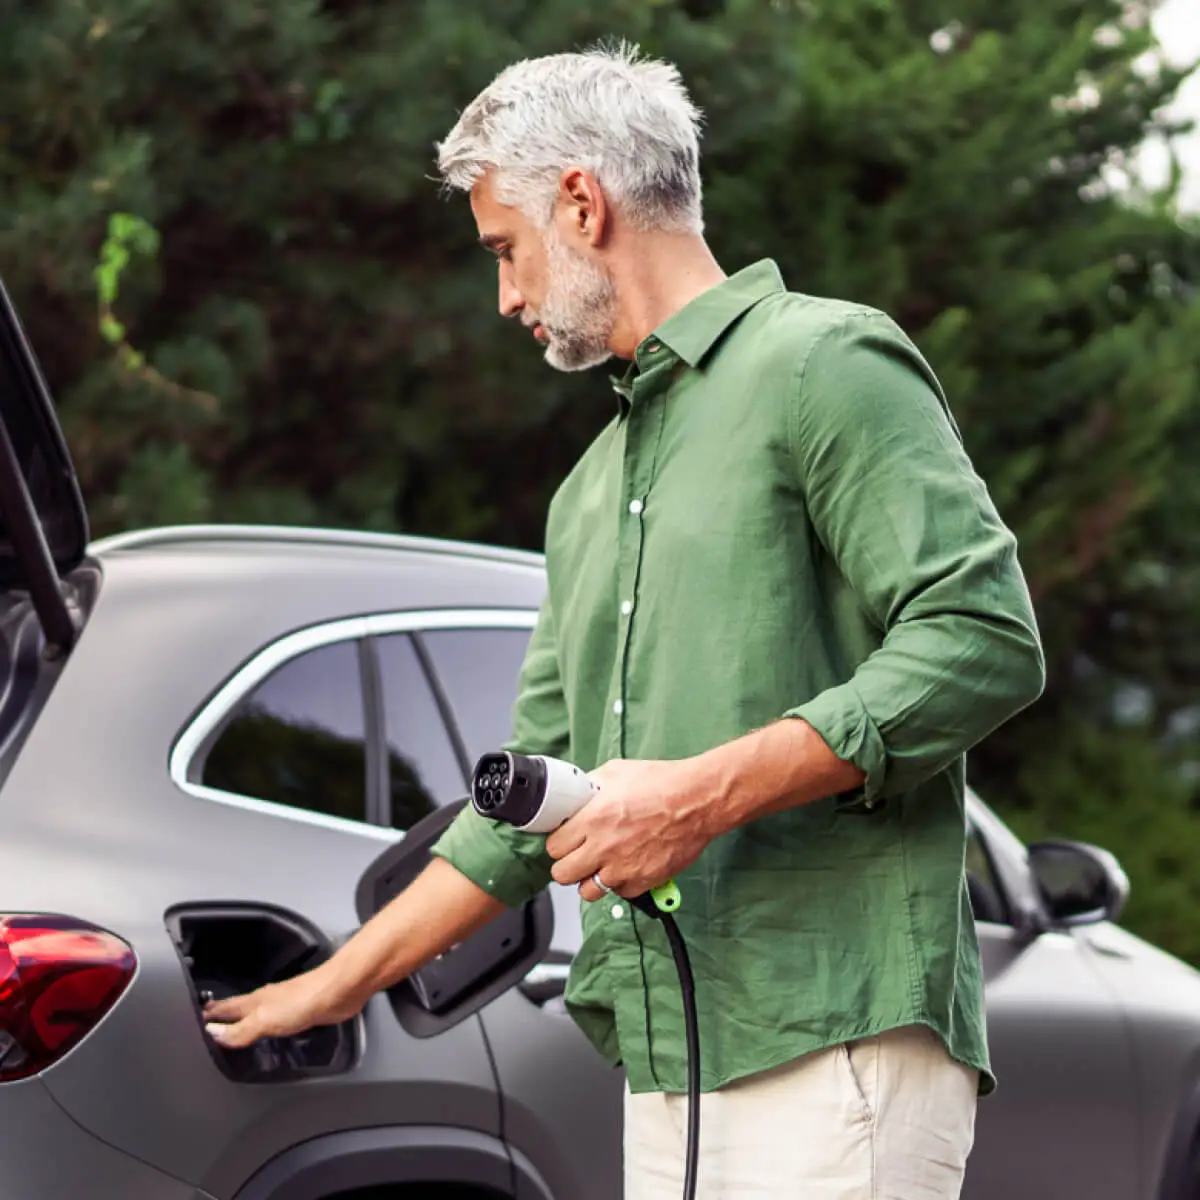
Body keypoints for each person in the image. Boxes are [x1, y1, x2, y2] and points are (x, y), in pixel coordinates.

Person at [203, 42, 1046, 1198]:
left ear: (583, 205)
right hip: (666, 1062)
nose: (504, 295)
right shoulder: (590, 489)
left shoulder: (824, 364)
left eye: (506, 250)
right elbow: (525, 801)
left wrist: (698, 797)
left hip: (834, 1036)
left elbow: (981, 638)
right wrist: (337, 983)